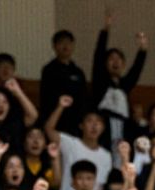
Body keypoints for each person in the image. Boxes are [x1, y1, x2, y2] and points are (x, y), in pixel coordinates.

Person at [91, 11, 148, 154]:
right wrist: (105, 30)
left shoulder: (124, 85)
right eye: (111, 59)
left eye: (118, 59)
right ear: (105, 64)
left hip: (123, 126)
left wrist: (142, 50)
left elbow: (135, 71)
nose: (115, 62)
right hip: (104, 124)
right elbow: (98, 56)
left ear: (123, 64)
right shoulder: (101, 82)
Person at [40, 31, 88, 137]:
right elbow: (46, 98)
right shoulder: (49, 70)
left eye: (68, 43)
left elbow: (84, 98)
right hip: (56, 121)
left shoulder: (78, 71)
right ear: (54, 46)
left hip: (76, 123)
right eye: (61, 42)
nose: (65, 46)